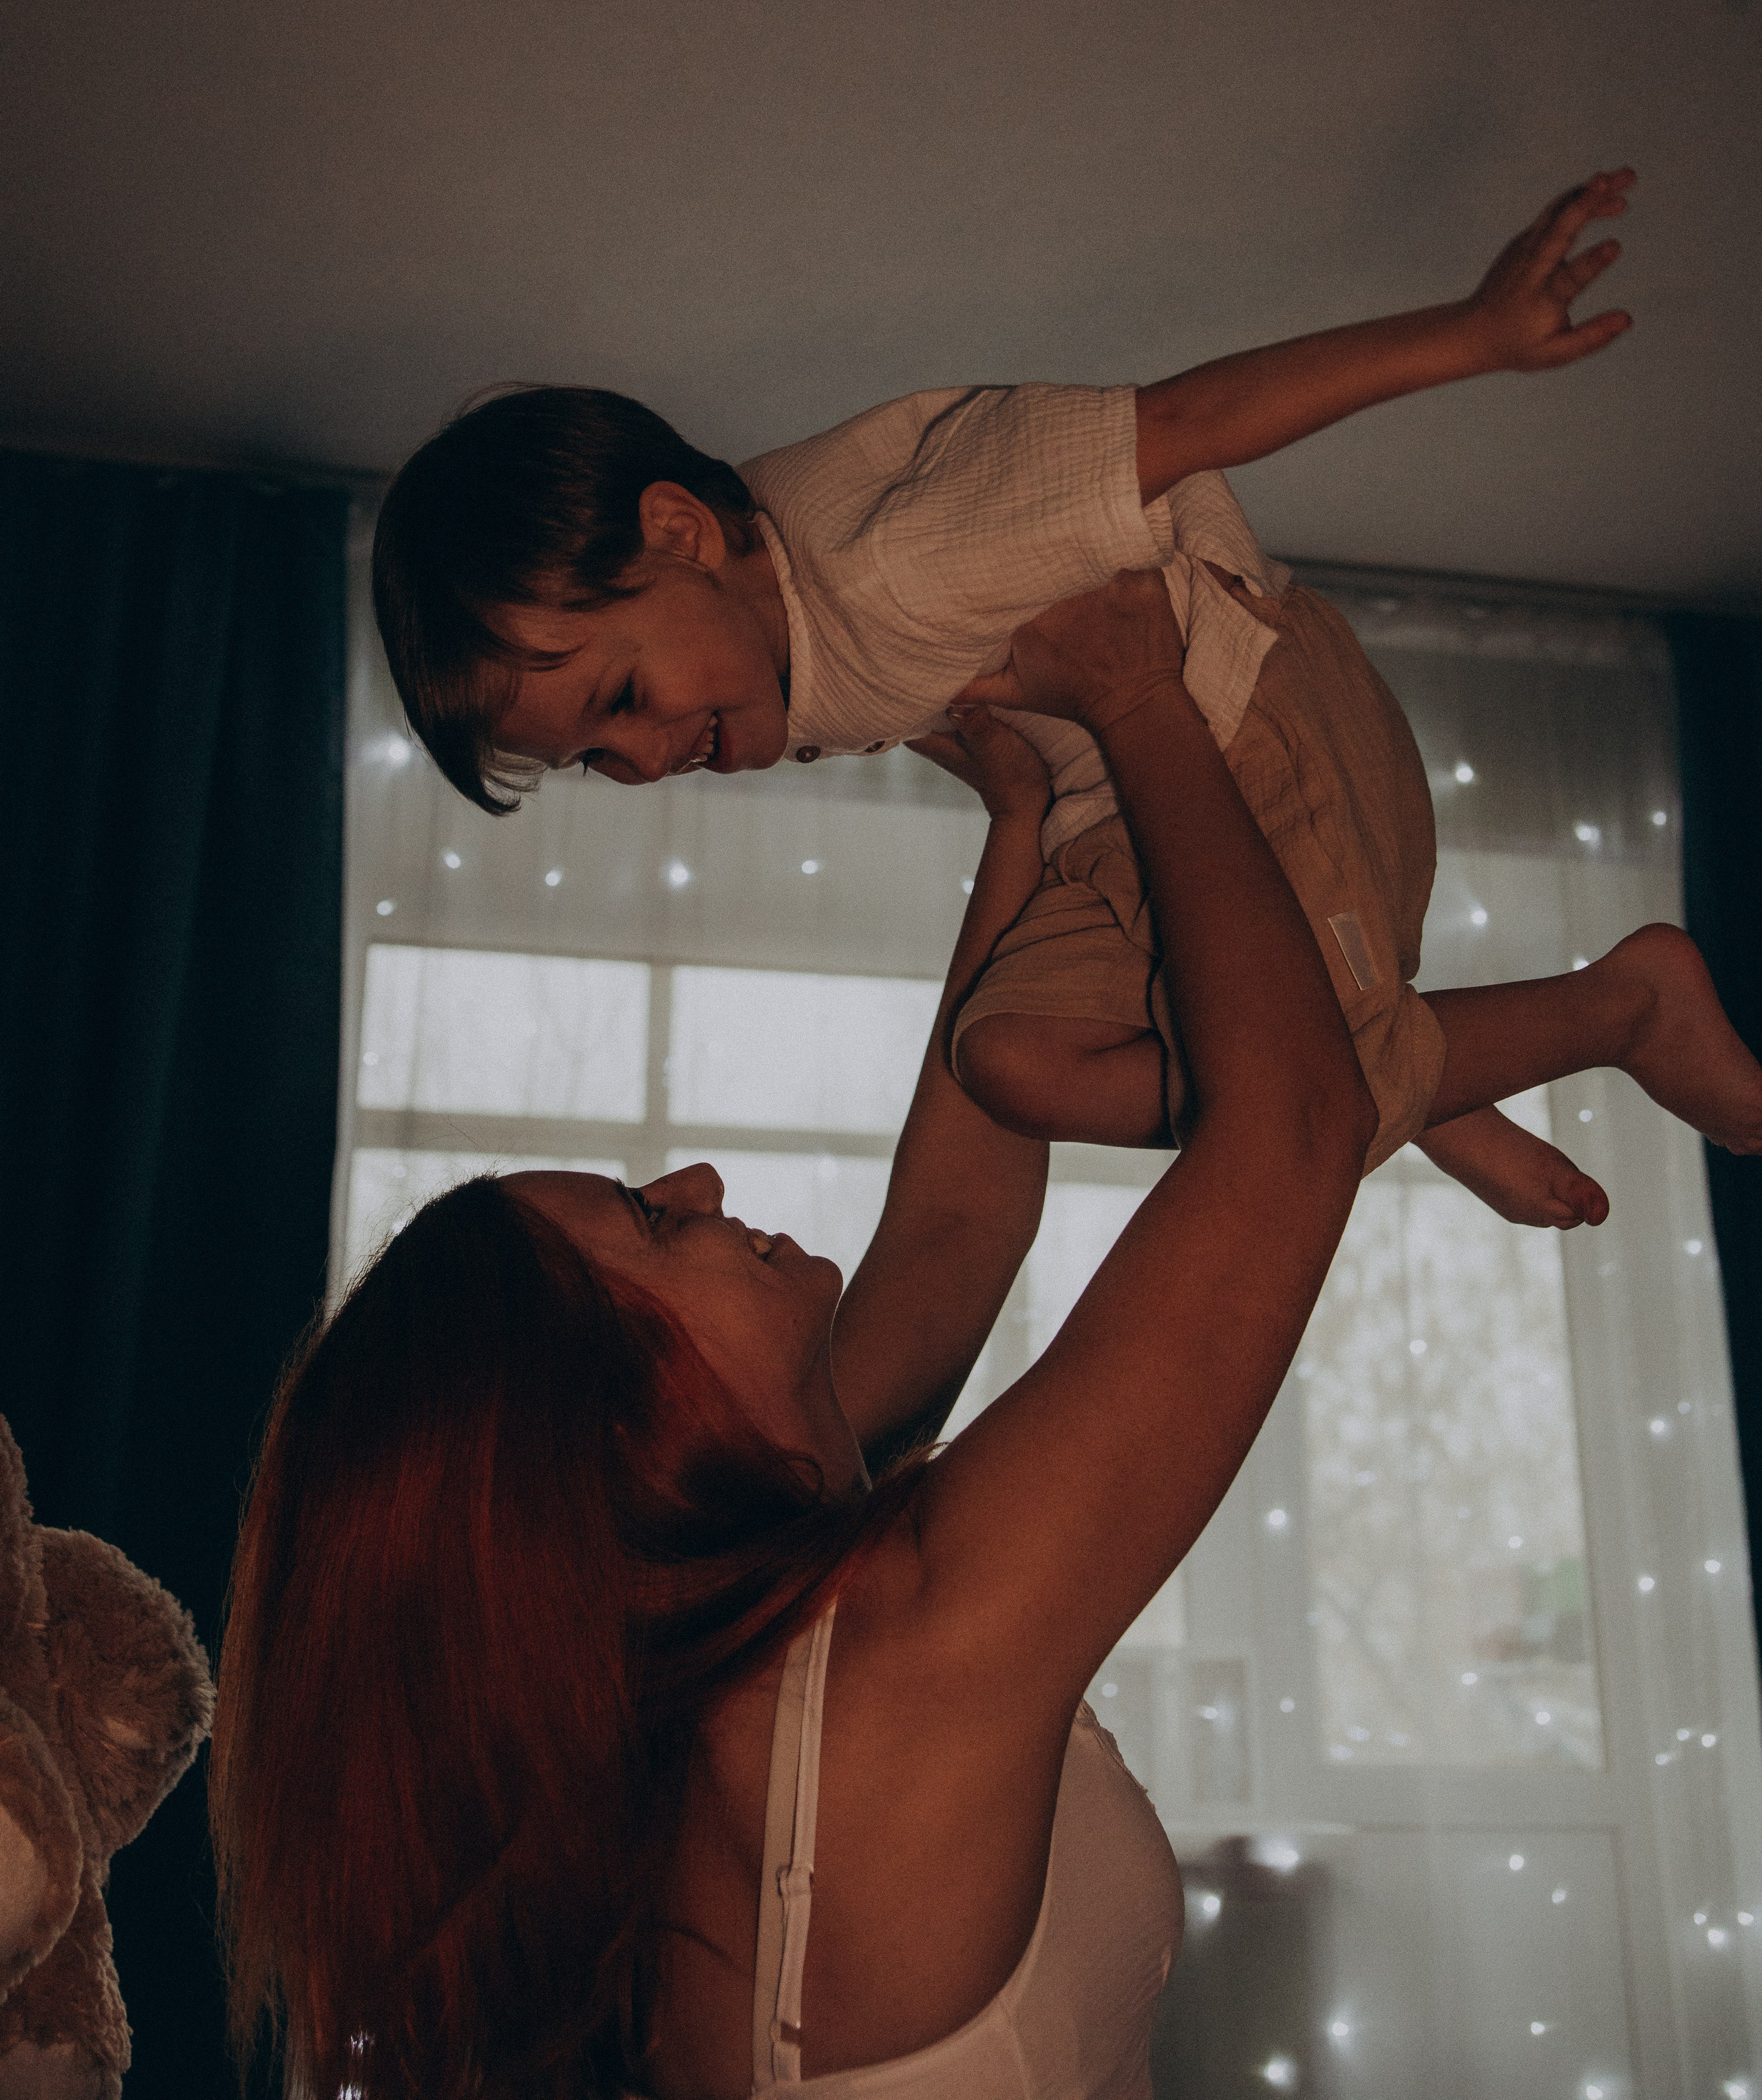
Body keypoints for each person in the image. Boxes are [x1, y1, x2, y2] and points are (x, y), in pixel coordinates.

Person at [213, 573, 1379, 2100]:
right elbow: (1292, 1131)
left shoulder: (748, 1639)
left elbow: (958, 1238)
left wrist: (1018, 823)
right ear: (622, 1417)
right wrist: (1143, 704)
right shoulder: (889, 1674)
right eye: (644, 1219)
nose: (695, 1181)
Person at [371, 168, 1762, 1229]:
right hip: (1123, 818)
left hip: (1248, 722)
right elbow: (894, 689)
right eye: (595, 762)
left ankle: (1613, 1009)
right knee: (1014, 1062)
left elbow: (1188, 423)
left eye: (622, 697)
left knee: (1284, 1112)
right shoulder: (761, 647)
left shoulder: (916, 549)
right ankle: (1413, 1068)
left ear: (677, 531)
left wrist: (1466, 337)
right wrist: (1002, 785)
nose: (645, 758)